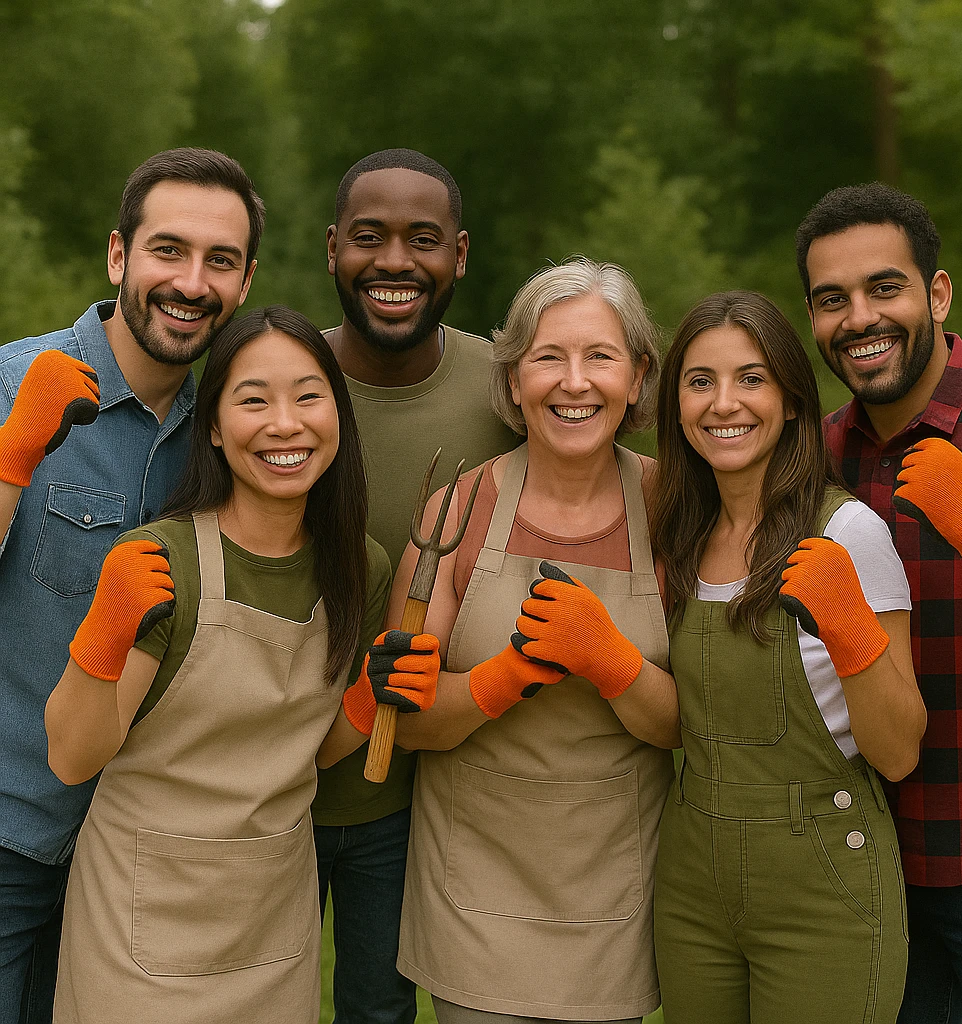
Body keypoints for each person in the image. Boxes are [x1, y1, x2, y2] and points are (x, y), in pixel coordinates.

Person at [42, 306, 433, 1023]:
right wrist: (103, 633)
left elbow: (309, 753)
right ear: (215, 427)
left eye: (309, 396)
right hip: (139, 930)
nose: (286, 424)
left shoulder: (357, 568)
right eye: (253, 400)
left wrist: (369, 699)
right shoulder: (164, 561)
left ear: (338, 418)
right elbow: (72, 757)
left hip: (271, 925)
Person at [374, 257, 679, 1023]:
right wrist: (506, 675)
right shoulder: (456, 513)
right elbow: (401, 722)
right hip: (475, 893)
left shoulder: (676, 509)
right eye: (548, 358)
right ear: (513, 382)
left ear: (638, 377)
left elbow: (698, 723)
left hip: (617, 894)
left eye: (601, 357)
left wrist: (608, 660)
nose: (574, 382)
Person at [0, 147, 262, 1024]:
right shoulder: (11, 385)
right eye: (168, 250)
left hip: (127, 861)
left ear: (245, 281)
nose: (190, 282)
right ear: (119, 256)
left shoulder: (232, 433)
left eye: (219, 261)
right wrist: (11, 460)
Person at [649, 291, 926, 1023]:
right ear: (676, 404)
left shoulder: (850, 532)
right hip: (693, 882)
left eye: (752, 378)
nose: (723, 403)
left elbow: (898, 752)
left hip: (822, 881)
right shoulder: (678, 534)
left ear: (794, 401)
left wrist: (850, 629)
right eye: (700, 381)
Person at [797, 183, 962, 1024]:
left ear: (937, 293)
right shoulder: (814, 456)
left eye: (883, 288)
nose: (858, 318)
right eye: (831, 300)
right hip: (868, 858)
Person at [315, 147, 518, 1024]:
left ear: (460, 255)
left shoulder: (505, 391)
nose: (395, 261)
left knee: (378, 1010)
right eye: (369, 237)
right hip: (266, 781)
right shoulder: (278, 379)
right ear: (332, 250)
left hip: (422, 798)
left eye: (422, 239)